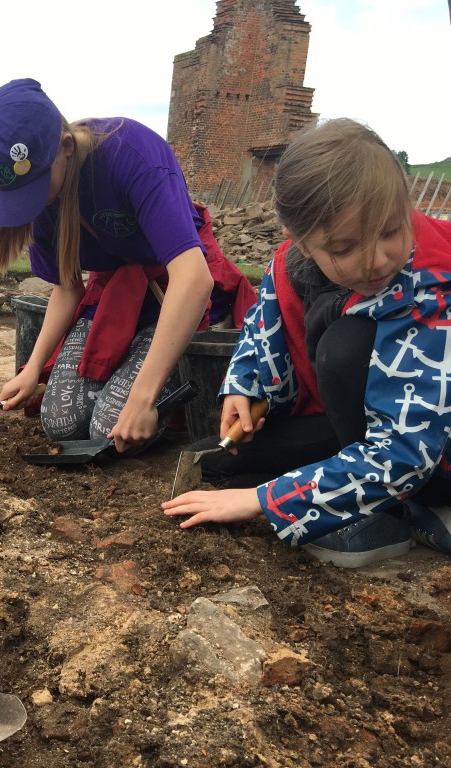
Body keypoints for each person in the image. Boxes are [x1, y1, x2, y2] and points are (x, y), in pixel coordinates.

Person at [163, 118, 451, 568]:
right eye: (344, 248)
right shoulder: (290, 264)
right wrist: (245, 386)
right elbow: (262, 325)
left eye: (392, 231)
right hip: (359, 424)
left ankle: (402, 512)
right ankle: (340, 482)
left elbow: (406, 450)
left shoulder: (432, 285)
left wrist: (261, 501)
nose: (377, 260)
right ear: (299, 239)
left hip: (432, 454)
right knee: (218, 460)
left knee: (344, 348)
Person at [0, 79, 255, 454]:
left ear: (66, 147)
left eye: (34, 188)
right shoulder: (47, 190)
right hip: (117, 300)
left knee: (110, 429)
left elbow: (193, 278)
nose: (32, 204)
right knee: (61, 422)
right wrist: (32, 368)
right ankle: (133, 374)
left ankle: (163, 386)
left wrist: (144, 396)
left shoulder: (132, 154)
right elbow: (67, 287)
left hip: (175, 296)